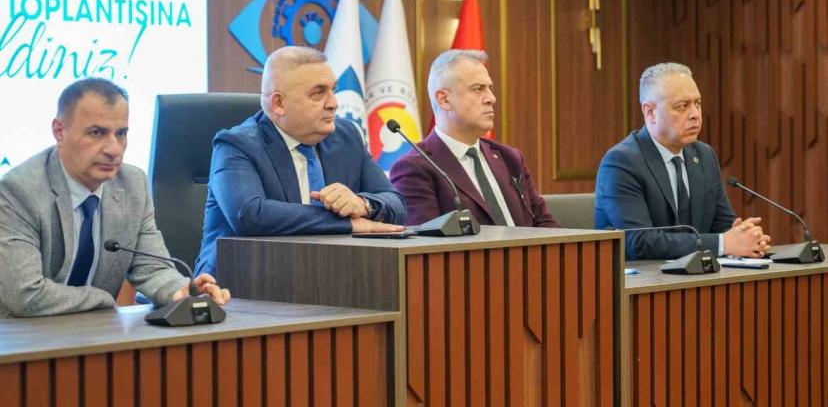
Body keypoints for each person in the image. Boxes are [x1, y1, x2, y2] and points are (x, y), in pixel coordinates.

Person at [0, 78, 230, 318]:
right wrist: (103, 299)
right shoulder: (19, 191)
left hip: (97, 332)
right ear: (59, 131)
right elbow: (25, 294)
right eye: (96, 133)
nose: (114, 149)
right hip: (25, 335)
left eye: (121, 133)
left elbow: (152, 269)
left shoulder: (132, 184)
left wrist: (181, 290)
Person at [194, 46, 406, 276]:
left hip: (328, 277)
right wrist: (347, 223)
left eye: (333, 90)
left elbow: (396, 203)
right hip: (241, 280)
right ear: (278, 104)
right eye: (318, 93)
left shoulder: (347, 138)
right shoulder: (237, 144)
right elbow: (250, 215)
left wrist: (362, 204)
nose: (333, 103)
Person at [594, 62, 771, 260]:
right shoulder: (622, 162)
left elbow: (722, 226)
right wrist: (724, 243)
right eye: (682, 106)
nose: (695, 114)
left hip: (697, 274)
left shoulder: (703, 156)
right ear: (650, 112)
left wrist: (746, 238)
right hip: (641, 277)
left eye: (698, 103)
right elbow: (639, 242)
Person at [390, 49, 557, 228]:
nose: (491, 98)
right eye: (478, 89)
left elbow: (545, 225)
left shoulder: (510, 158)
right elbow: (426, 241)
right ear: (444, 99)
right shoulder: (416, 168)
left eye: (490, 88)